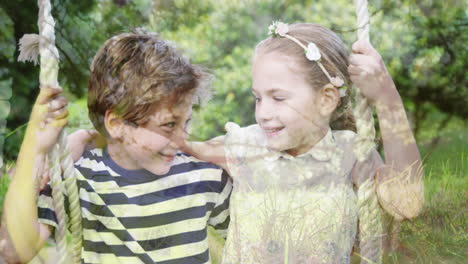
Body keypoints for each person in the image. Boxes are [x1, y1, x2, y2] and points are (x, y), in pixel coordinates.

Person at [181, 22, 424, 263]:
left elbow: (406, 203)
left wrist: (387, 98)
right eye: (258, 98)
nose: (263, 112)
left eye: (278, 98)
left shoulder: (350, 154)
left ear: (326, 99)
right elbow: (174, 147)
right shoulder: (244, 145)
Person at [3, 31, 232, 264]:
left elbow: (259, 243)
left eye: (186, 122)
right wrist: (35, 147)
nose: (182, 138)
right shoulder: (80, 181)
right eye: (169, 125)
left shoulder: (204, 177)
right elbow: (12, 252)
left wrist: (245, 170)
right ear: (117, 124)